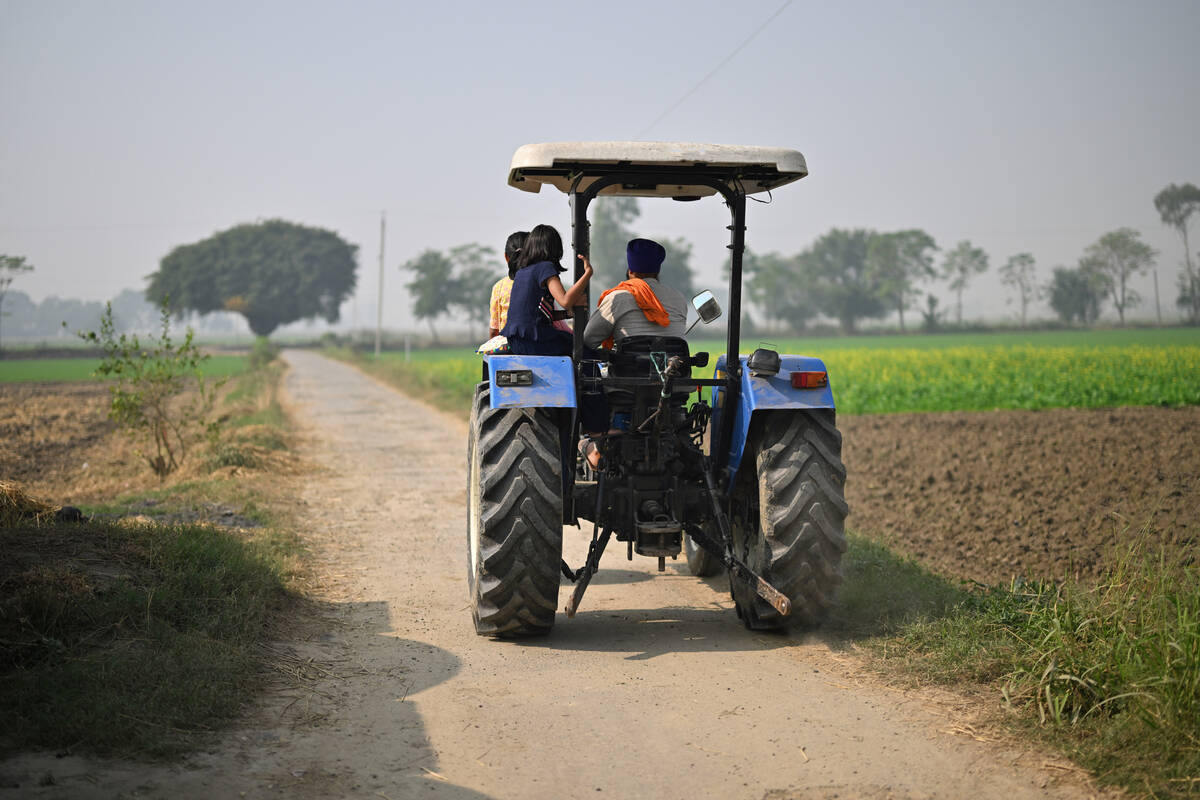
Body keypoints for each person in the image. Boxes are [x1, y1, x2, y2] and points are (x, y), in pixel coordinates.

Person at [500, 224, 592, 356]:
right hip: (534, 342)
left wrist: (567, 314)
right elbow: (565, 301)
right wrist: (588, 273)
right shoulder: (545, 267)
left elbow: (539, 316)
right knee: (584, 352)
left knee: (567, 340)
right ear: (555, 249)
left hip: (516, 342)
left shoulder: (521, 272)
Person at [583, 238, 688, 349]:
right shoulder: (679, 298)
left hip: (628, 366)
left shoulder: (617, 298)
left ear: (630, 271)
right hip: (675, 365)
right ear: (657, 271)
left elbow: (588, 340)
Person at [488, 231, 527, 338]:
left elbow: (494, 330)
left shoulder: (499, 287)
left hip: (507, 343)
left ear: (506, 257)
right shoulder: (541, 282)